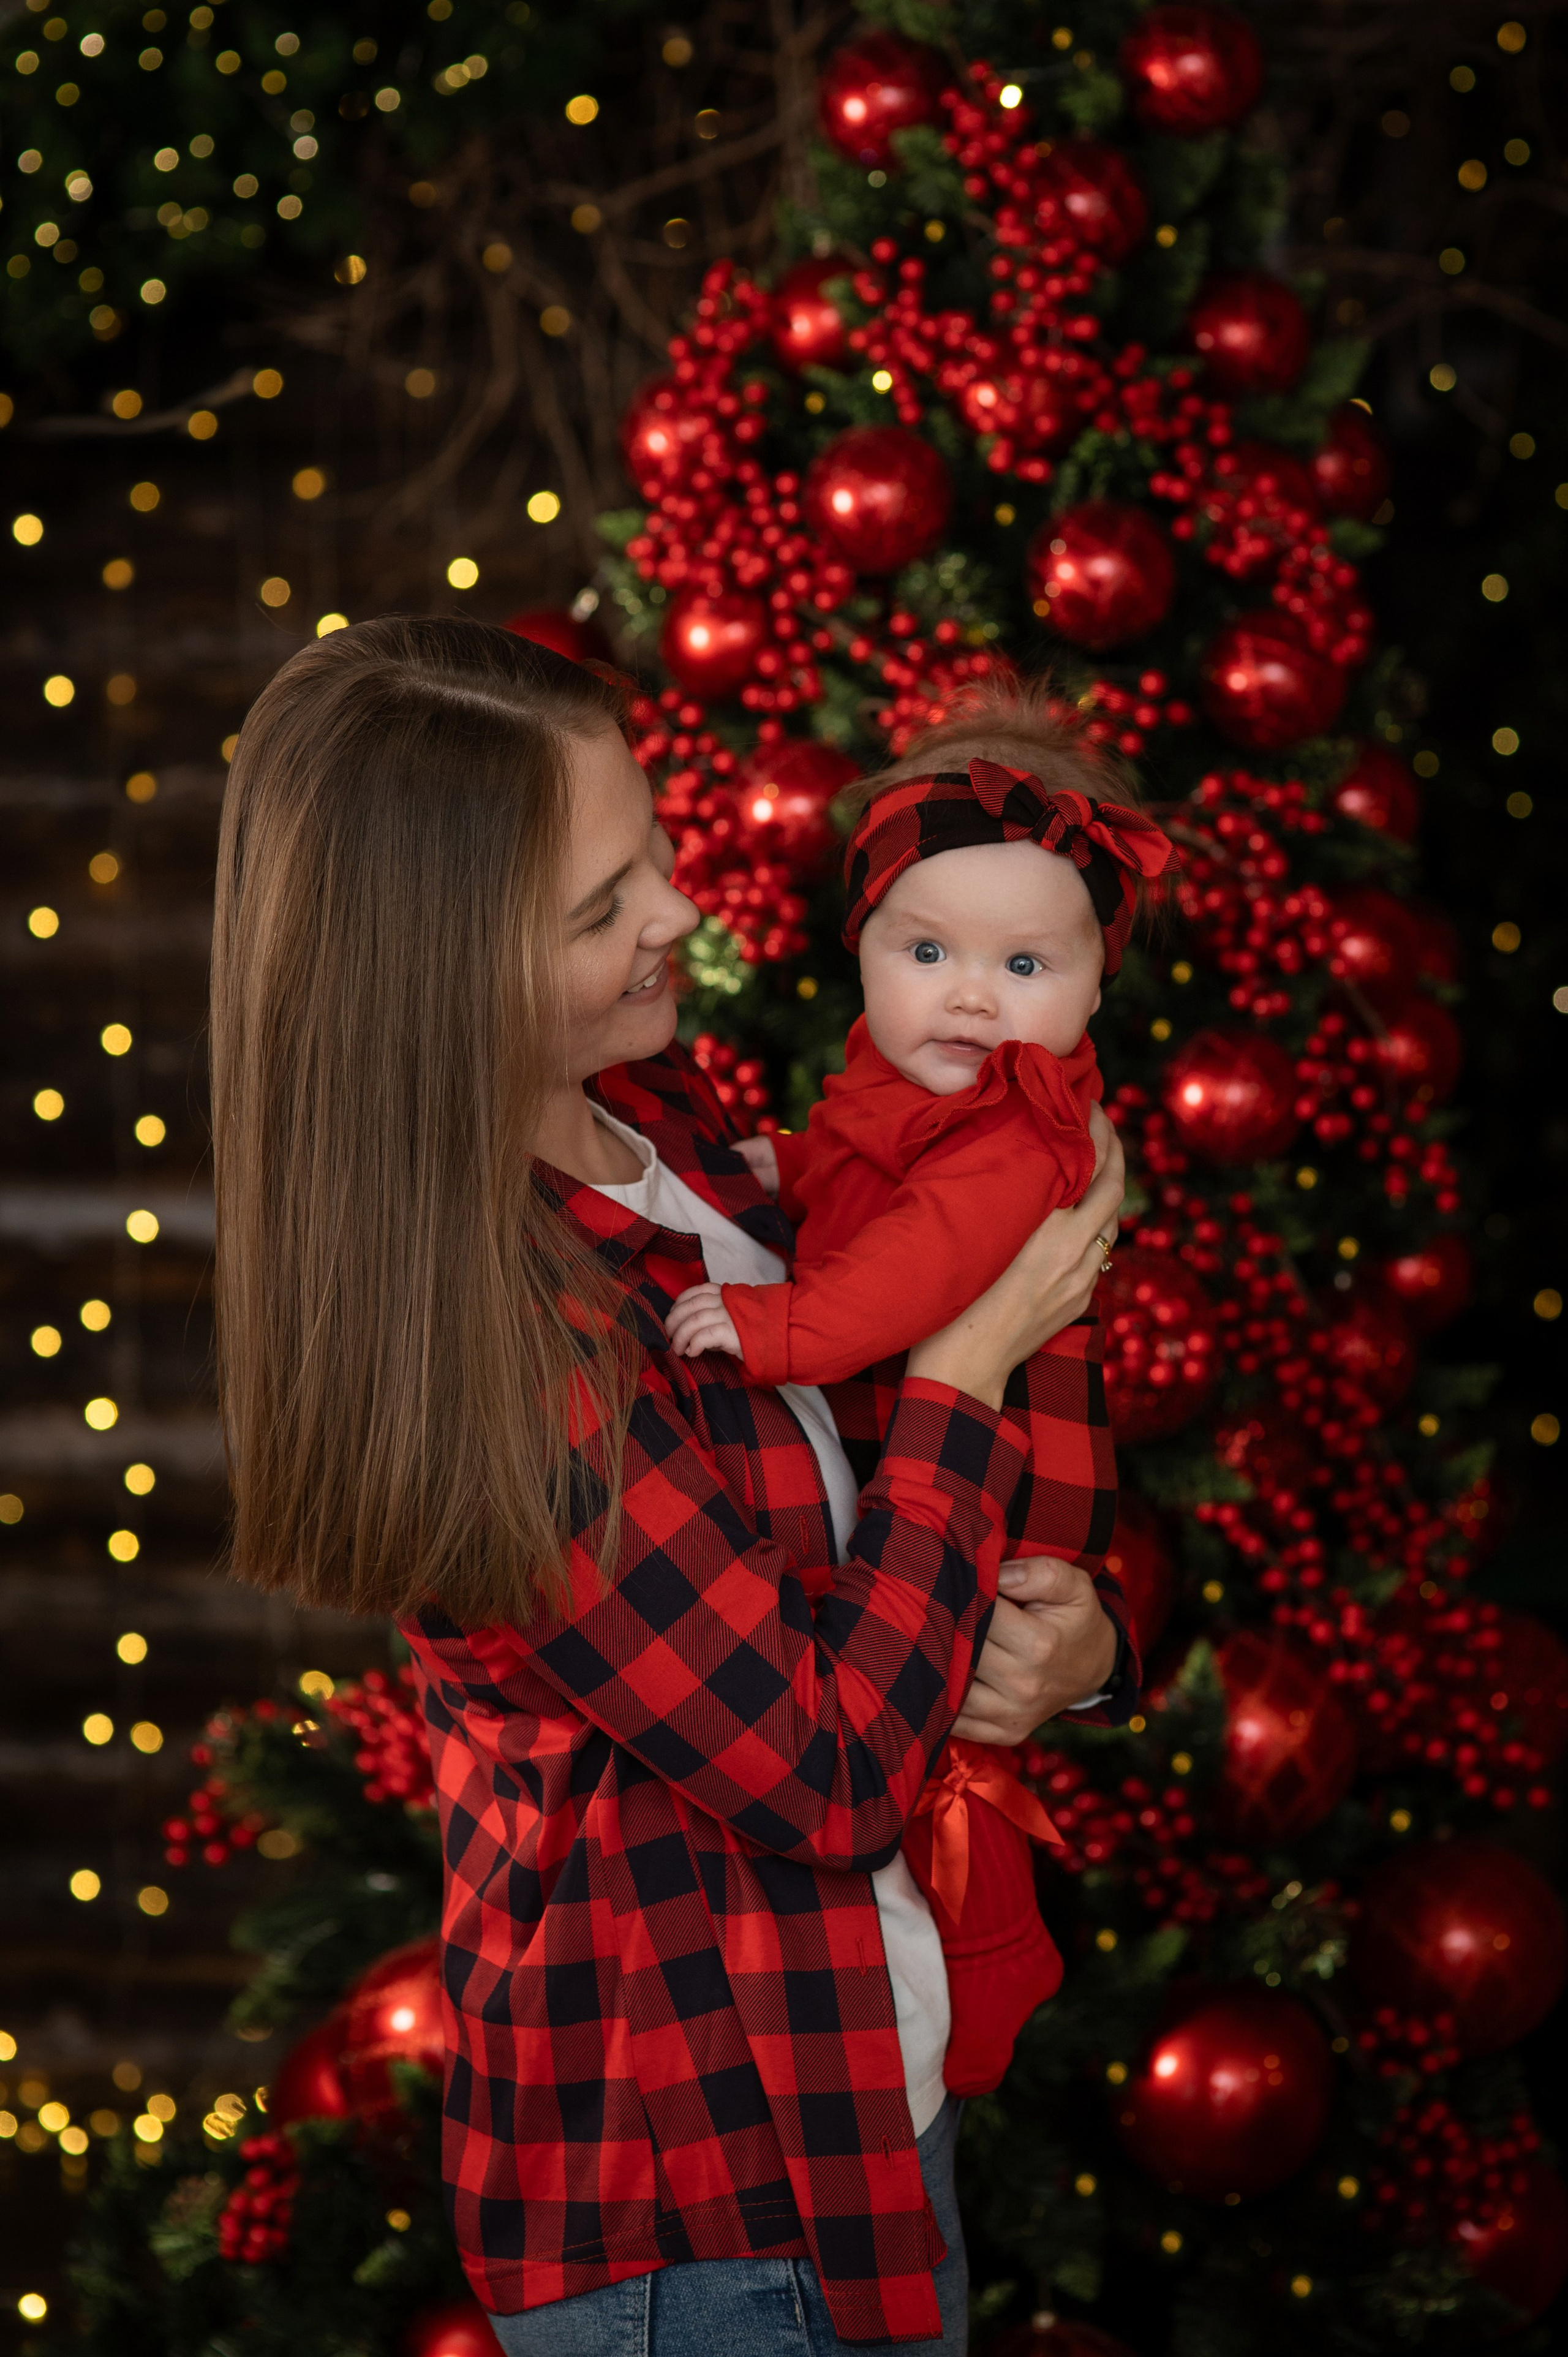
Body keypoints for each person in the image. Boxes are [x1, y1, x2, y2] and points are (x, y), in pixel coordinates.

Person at [209, 617, 1130, 2356]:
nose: (682, 916)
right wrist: (965, 1367)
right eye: (600, 904)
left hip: (869, 2089)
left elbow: (878, 1525)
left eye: (655, 852)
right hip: (715, 2211)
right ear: (443, 973)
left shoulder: (669, 1124)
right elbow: (832, 1771)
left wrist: (1076, 1644)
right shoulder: (495, 1336)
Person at [663, 692, 1173, 2097]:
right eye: (926, 948)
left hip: (1008, 1476)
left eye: (1022, 961)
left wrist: (777, 1330)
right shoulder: (896, 1083)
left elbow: (914, 1265)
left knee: (947, 1728)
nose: (967, 992)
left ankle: (998, 1949)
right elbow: (839, 1172)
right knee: (935, 1721)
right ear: (864, 950)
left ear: (1088, 988)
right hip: (929, 1449)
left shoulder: (1019, 1127)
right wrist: (751, 1178)